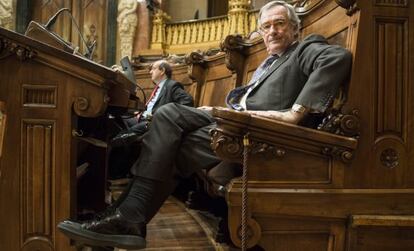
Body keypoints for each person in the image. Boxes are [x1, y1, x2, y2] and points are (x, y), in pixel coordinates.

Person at [58, 1, 352, 249]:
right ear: (260, 31)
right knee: (171, 127)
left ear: (294, 28)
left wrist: (295, 112)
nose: (273, 31)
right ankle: (123, 216)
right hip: (231, 118)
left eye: (280, 24)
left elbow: (337, 58)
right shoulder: (273, 60)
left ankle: (125, 216)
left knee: (171, 122)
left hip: (259, 129)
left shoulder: (305, 48)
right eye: (267, 26)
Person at [108, 59, 194, 179]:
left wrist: (164, 116)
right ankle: (120, 166)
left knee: (121, 137)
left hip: (152, 122)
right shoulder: (158, 88)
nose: (150, 72)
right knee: (116, 120)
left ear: (162, 70)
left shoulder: (171, 85)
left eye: (153, 68)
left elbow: (187, 102)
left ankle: (115, 171)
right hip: (141, 118)